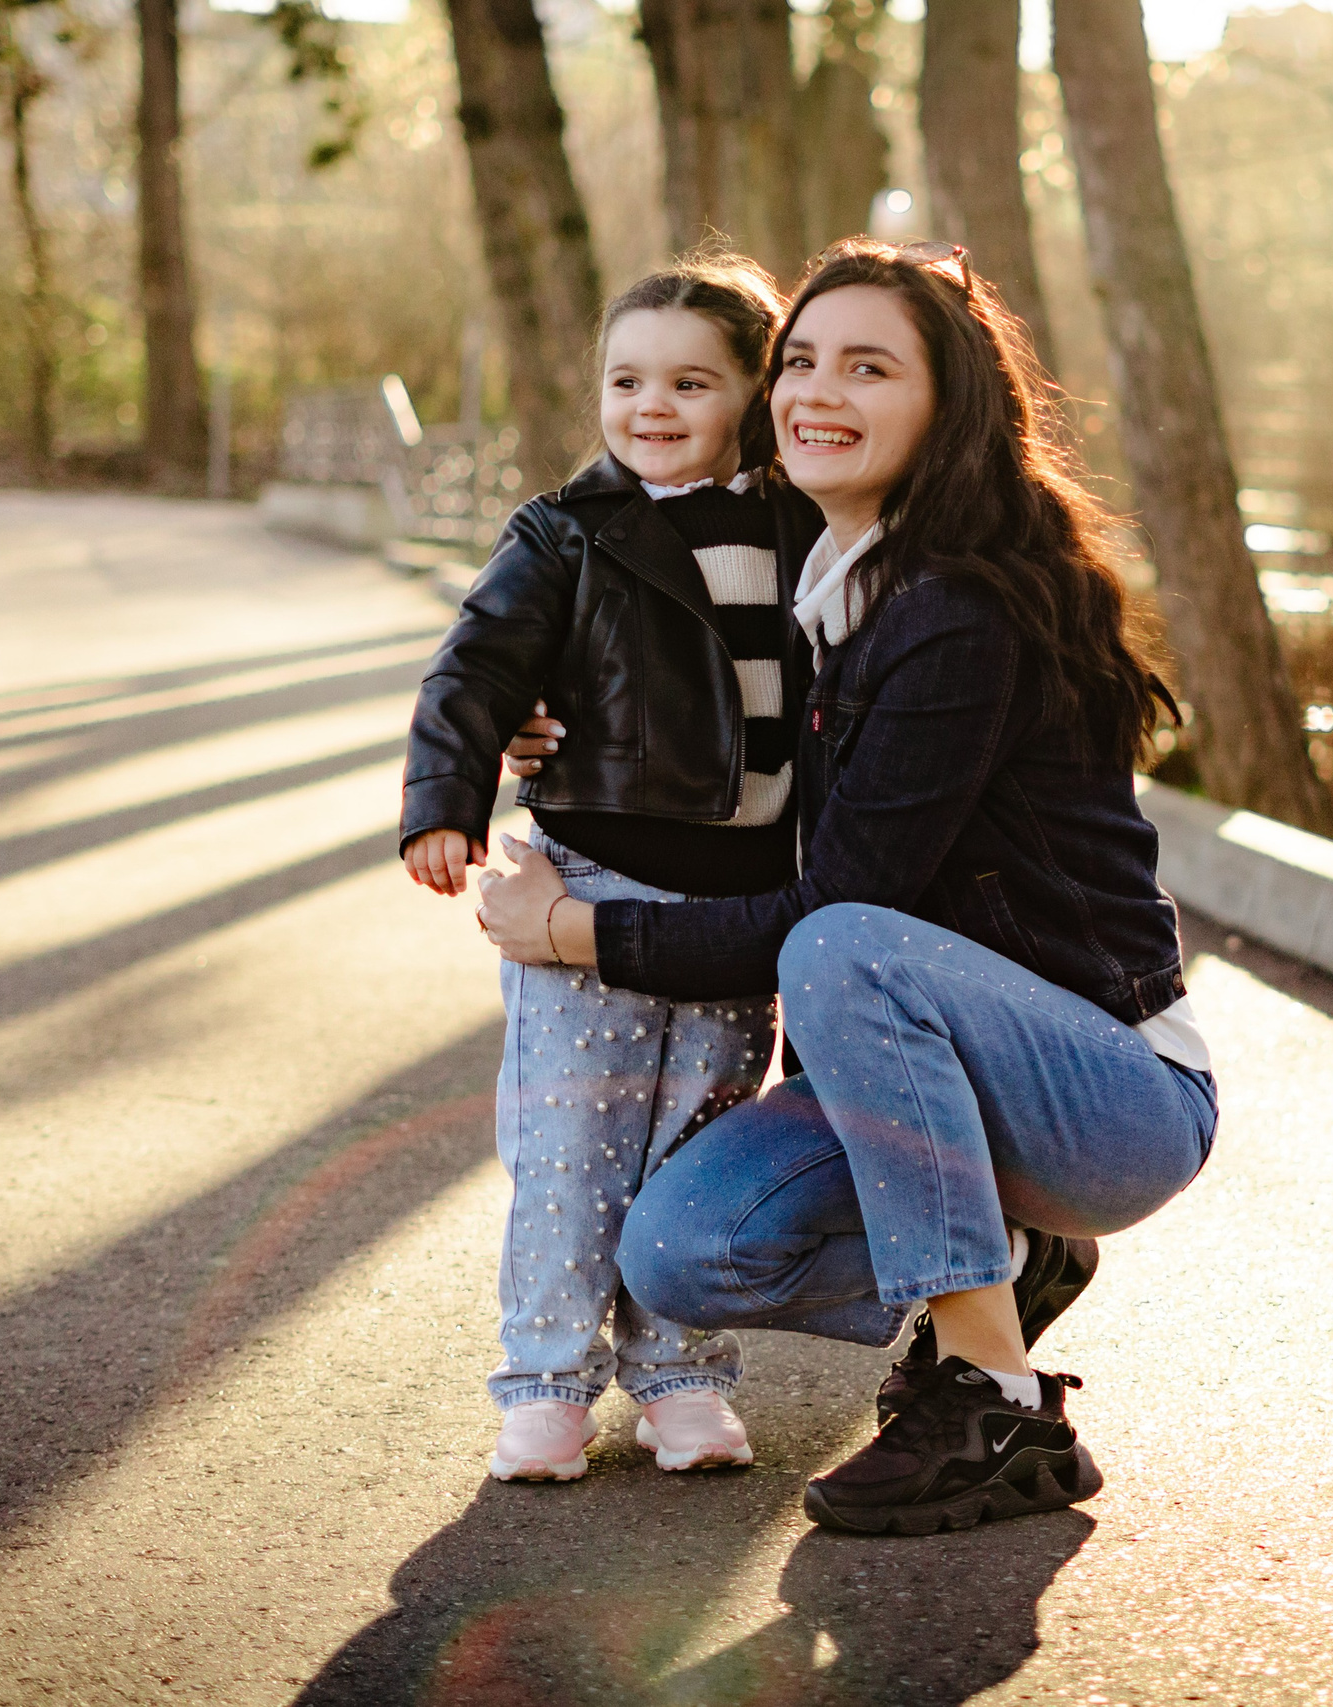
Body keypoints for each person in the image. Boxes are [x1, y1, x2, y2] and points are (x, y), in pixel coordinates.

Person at [474, 238, 1219, 1535]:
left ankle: (995, 1399)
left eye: (869, 366)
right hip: (942, 1089)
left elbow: (828, 910)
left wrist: (571, 924)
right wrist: (557, 729)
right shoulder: (821, 587)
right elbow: (686, 727)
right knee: (683, 1248)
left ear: (950, 406)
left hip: (1108, 1093)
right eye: (799, 360)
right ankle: (1012, 1262)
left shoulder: (956, 612)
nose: (818, 388)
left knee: (836, 947)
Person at [400, 250, 825, 1483]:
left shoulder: (805, 527)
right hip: (592, 884)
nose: (652, 406)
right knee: (570, 1152)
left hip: (740, 901)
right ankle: (542, 1384)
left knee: (692, 1149)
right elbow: (476, 666)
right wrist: (449, 796)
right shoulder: (568, 531)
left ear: (754, 390)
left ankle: (681, 1381)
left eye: (691, 382)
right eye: (626, 379)